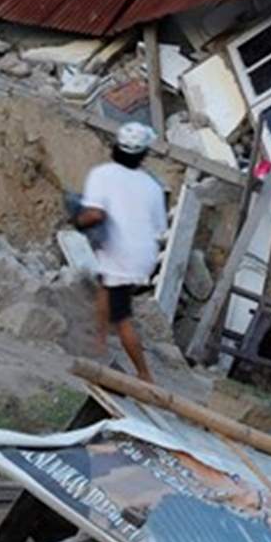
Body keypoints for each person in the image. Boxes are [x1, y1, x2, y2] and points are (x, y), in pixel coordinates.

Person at [74, 122, 167, 383]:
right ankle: (99, 342)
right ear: (143, 154)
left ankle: (144, 374)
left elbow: (93, 213)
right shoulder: (153, 186)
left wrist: (77, 221)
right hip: (143, 255)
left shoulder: (102, 174)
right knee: (106, 285)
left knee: (122, 316)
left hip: (120, 253)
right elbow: (160, 228)